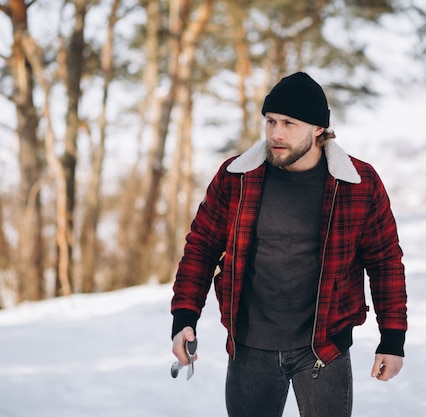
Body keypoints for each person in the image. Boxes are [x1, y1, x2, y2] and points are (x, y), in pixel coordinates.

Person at [171, 71, 407, 417]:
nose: (275, 133)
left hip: (324, 349)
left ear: (318, 129)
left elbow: (385, 261)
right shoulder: (236, 177)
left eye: (289, 123)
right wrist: (184, 317)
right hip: (250, 348)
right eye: (270, 121)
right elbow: (201, 247)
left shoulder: (357, 183)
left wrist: (392, 338)